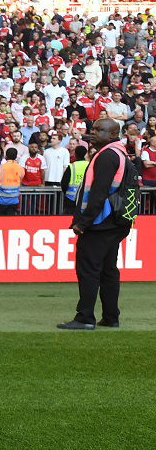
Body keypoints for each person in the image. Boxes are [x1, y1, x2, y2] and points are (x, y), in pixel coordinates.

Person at [58, 118, 140, 330]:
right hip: (116, 222)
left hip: (100, 223)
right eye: (92, 129)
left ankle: (85, 318)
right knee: (108, 270)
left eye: (98, 130)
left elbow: (99, 193)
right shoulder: (119, 153)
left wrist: (83, 223)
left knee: (89, 269)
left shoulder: (106, 156)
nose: (92, 132)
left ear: (112, 134)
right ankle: (111, 317)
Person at [0, 147, 23, 215]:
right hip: (13, 201)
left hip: (0, 201)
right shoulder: (20, 168)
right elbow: (21, 178)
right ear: (16, 157)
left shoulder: (0, 167)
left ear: (6, 156)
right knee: (10, 223)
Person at [61, 145, 89, 214]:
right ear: (86, 154)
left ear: (75, 154)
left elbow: (64, 183)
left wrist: (66, 193)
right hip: (86, 197)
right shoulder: (90, 165)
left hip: (71, 198)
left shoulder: (72, 166)